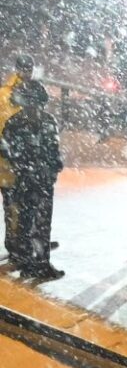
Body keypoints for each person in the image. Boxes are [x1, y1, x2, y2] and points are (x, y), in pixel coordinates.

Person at [1, 75, 65, 281]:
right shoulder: (14, 124)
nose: (34, 108)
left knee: (43, 223)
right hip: (25, 180)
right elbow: (6, 150)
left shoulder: (49, 121)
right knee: (25, 223)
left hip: (44, 181)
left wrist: (54, 168)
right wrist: (23, 165)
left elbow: (54, 150)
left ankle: (42, 263)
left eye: (37, 103)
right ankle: (28, 263)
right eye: (30, 103)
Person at [0, 53, 29, 266]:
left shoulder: (30, 94)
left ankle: (21, 243)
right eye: (25, 68)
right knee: (13, 204)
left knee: (21, 204)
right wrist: (7, 149)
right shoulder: (5, 95)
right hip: (9, 160)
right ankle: (15, 245)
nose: (27, 73)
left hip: (24, 161)